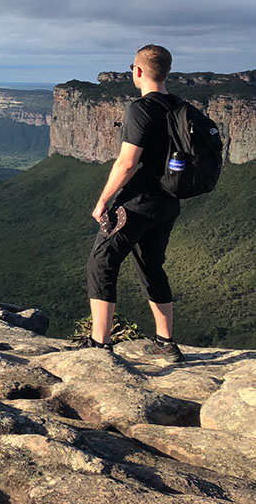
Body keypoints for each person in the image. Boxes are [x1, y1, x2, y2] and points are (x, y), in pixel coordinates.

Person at [82, 44, 184, 362]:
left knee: (101, 263)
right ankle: (165, 342)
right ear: (166, 71)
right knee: (151, 266)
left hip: (137, 203)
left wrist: (103, 201)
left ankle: (100, 345)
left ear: (137, 71)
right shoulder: (180, 107)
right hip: (169, 202)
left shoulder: (141, 109)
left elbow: (127, 163)